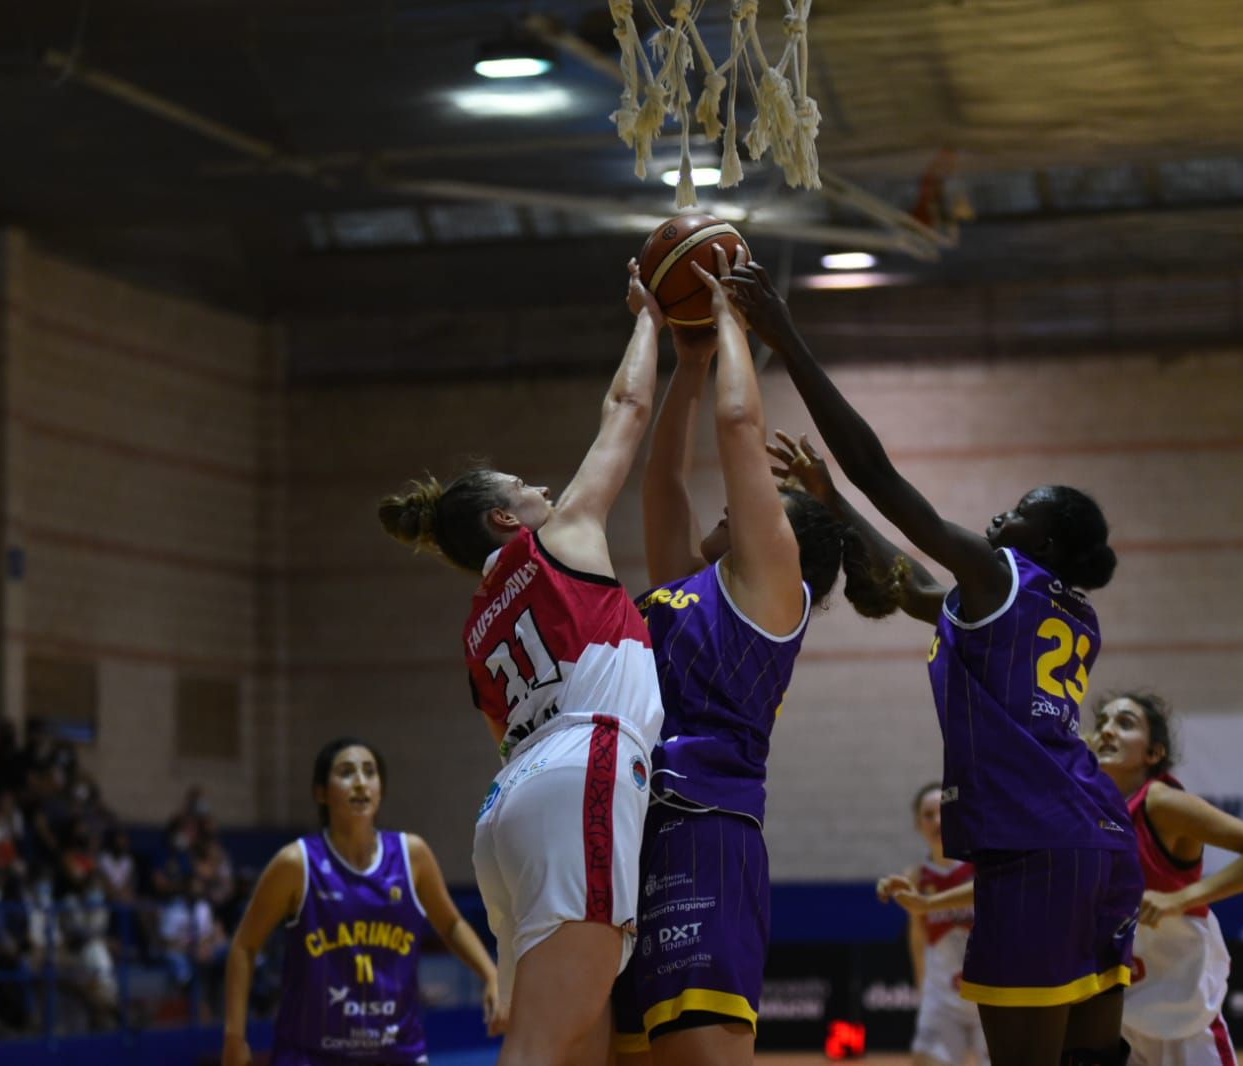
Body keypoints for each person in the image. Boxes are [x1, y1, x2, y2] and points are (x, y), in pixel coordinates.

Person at [727, 261, 1139, 1066]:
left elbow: (885, 477)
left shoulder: (1002, 575)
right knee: (1096, 1057)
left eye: (1017, 513)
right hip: (1099, 841)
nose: (996, 516)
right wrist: (834, 506)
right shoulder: (1063, 609)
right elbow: (912, 590)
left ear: (1043, 544)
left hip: (1036, 846)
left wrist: (785, 336)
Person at [612, 249, 901, 1066]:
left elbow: (740, 429)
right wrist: (689, 362)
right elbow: (661, 483)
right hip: (632, 827)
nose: (730, 506)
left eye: (753, 508)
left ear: (775, 535)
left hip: (707, 831)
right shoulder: (685, 591)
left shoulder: (770, 599)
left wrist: (733, 320)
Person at [377, 262, 666, 1065]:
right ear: (506, 517)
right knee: (546, 1040)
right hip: (585, 767)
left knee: (582, 1035)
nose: (545, 486)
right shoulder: (561, 535)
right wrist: (649, 318)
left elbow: (503, 737)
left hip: (508, 806)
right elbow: (628, 407)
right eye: (523, 485)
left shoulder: (476, 630)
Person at [223, 739, 500, 1066]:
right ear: (320, 793)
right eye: (345, 772)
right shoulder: (296, 864)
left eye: (369, 772)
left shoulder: (412, 856)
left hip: (397, 1052)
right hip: (310, 1055)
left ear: (380, 789)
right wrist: (235, 1036)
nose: (359, 781)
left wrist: (491, 975)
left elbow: (451, 924)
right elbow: (244, 946)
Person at [1091, 693, 1243, 1066]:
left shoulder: (1161, 803)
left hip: (1180, 1011)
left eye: (1124, 723)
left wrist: (1181, 898)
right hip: (1121, 1013)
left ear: (1152, 753)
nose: (1106, 730)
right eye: (1102, 722)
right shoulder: (1086, 814)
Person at [877, 783, 988, 1066]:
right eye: (928, 815)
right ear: (917, 824)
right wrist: (923, 991)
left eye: (942, 811)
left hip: (990, 996)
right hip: (943, 998)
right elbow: (918, 937)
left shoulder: (983, 865)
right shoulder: (915, 876)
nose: (937, 820)